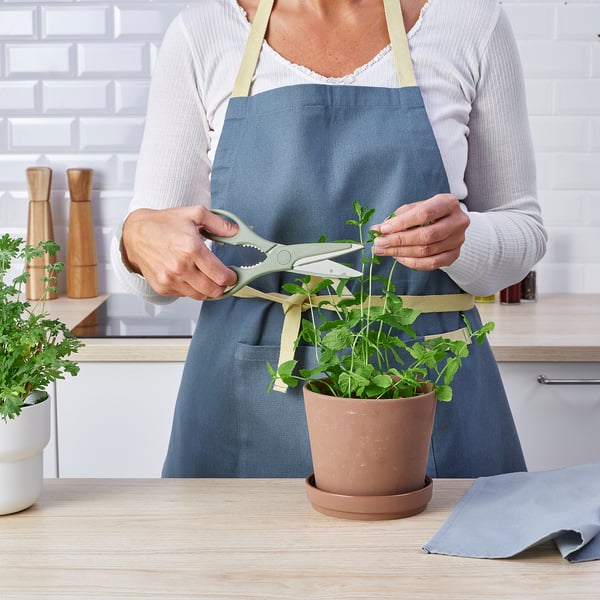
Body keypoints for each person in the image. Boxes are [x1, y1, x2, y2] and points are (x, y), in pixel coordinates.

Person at [112, 0, 547, 478]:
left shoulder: (470, 23)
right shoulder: (203, 34)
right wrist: (136, 239)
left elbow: (522, 227)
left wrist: (465, 241)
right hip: (242, 393)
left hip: (426, 382)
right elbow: (150, 281)